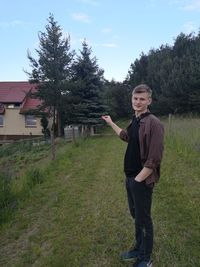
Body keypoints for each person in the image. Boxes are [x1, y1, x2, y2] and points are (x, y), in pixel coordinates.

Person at [102, 84, 164, 267]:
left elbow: (154, 159)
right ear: (132, 100)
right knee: (136, 216)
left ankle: (146, 259)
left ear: (149, 101)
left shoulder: (154, 123)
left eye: (142, 99)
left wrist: (138, 180)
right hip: (130, 178)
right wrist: (111, 122)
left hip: (141, 180)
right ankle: (138, 248)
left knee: (144, 219)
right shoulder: (136, 120)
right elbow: (126, 136)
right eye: (135, 99)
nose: (138, 102)